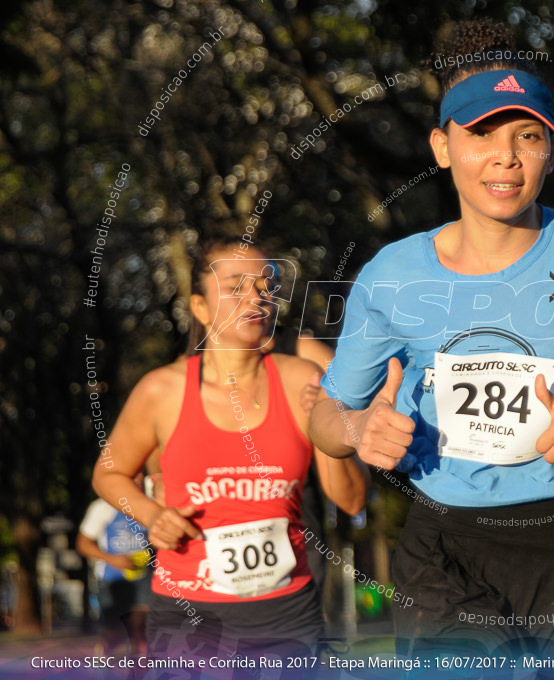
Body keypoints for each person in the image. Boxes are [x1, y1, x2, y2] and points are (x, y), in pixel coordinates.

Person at [311, 20, 554, 657]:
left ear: (552, 151)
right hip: (442, 553)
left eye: (527, 136)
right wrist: (360, 430)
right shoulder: (389, 273)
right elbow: (325, 419)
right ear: (442, 147)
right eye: (482, 134)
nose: (506, 156)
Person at [92, 237, 368, 661]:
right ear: (200, 308)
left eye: (265, 286)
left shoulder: (302, 379)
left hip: (287, 614)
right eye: (236, 286)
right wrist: (152, 516)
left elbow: (350, 500)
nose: (256, 297)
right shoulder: (162, 390)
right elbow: (108, 474)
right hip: (189, 614)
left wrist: (330, 426)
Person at [77, 493, 152, 656]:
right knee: (115, 632)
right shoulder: (102, 507)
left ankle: (143, 669)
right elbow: (83, 544)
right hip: (111, 579)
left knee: (142, 629)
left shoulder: (149, 503)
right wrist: (112, 559)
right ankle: (105, 658)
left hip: (143, 578)